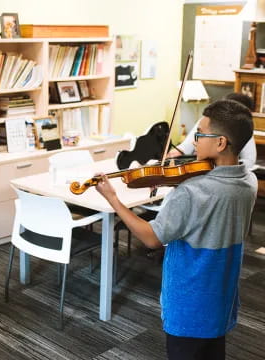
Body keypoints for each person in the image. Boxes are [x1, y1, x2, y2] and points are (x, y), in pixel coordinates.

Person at [95, 99, 257, 360]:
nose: (194, 141)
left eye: (199, 135)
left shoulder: (192, 192)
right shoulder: (249, 183)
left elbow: (151, 238)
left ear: (220, 143)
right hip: (221, 297)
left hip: (189, 302)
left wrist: (113, 200)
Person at [168, 92, 257, 169]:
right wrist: (179, 150)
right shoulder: (207, 121)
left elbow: (249, 160)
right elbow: (188, 144)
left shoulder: (242, 128)